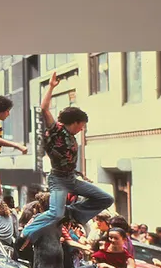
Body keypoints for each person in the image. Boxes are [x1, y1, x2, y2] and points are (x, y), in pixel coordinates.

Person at [19, 72, 113, 245]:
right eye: (82, 125)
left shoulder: (71, 136)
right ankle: (26, 232)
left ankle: (71, 213)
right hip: (58, 180)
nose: (82, 129)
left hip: (72, 179)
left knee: (106, 199)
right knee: (55, 213)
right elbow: (44, 108)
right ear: (76, 122)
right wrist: (51, 87)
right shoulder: (57, 131)